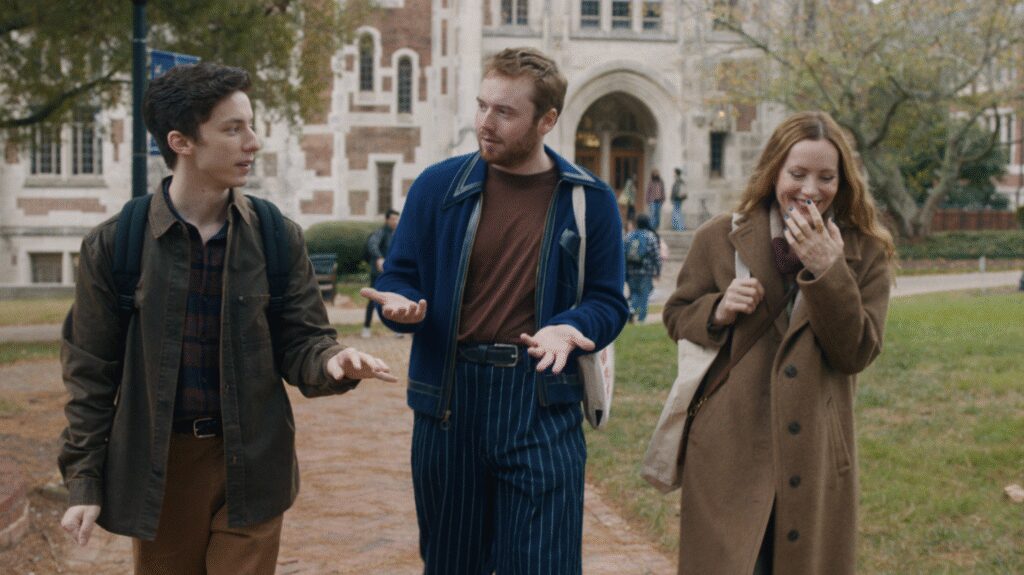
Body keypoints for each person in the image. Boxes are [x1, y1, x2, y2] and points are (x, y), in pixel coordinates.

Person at [57, 62, 396, 574]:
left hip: (254, 460)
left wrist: (332, 360)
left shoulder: (275, 236)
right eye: (233, 129)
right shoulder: (116, 245)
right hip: (161, 467)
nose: (252, 143)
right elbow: (90, 375)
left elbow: (303, 340)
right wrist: (84, 482)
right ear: (182, 142)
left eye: (251, 126)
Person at [362, 47, 628, 574]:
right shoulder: (437, 186)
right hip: (449, 403)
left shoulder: (589, 200)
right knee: (452, 564)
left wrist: (570, 328)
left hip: (540, 398)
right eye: (482, 105)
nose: (485, 122)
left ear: (547, 120)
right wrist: (399, 305)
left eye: (504, 112)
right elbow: (398, 277)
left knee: (545, 563)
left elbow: (608, 301)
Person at [661, 110, 894, 575]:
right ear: (774, 173)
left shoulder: (866, 250)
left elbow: (856, 352)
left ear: (843, 182)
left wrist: (829, 271)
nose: (811, 190)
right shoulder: (719, 237)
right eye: (798, 174)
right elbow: (676, 314)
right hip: (728, 449)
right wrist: (718, 310)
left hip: (815, 452)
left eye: (826, 177)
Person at [362, 208, 400, 338]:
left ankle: (397, 329)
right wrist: (379, 258)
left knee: (395, 299)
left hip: (391, 273)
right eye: (393, 219)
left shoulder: (397, 234)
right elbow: (372, 244)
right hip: (377, 273)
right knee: (372, 300)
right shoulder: (380, 232)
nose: (395, 221)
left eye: (397, 219)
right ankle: (366, 327)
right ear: (387, 219)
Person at [624, 214, 662, 323]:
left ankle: (631, 310)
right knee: (644, 294)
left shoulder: (629, 236)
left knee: (634, 293)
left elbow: (623, 252)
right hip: (646, 270)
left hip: (631, 270)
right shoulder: (650, 236)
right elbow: (656, 255)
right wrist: (658, 271)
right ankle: (641, 319)